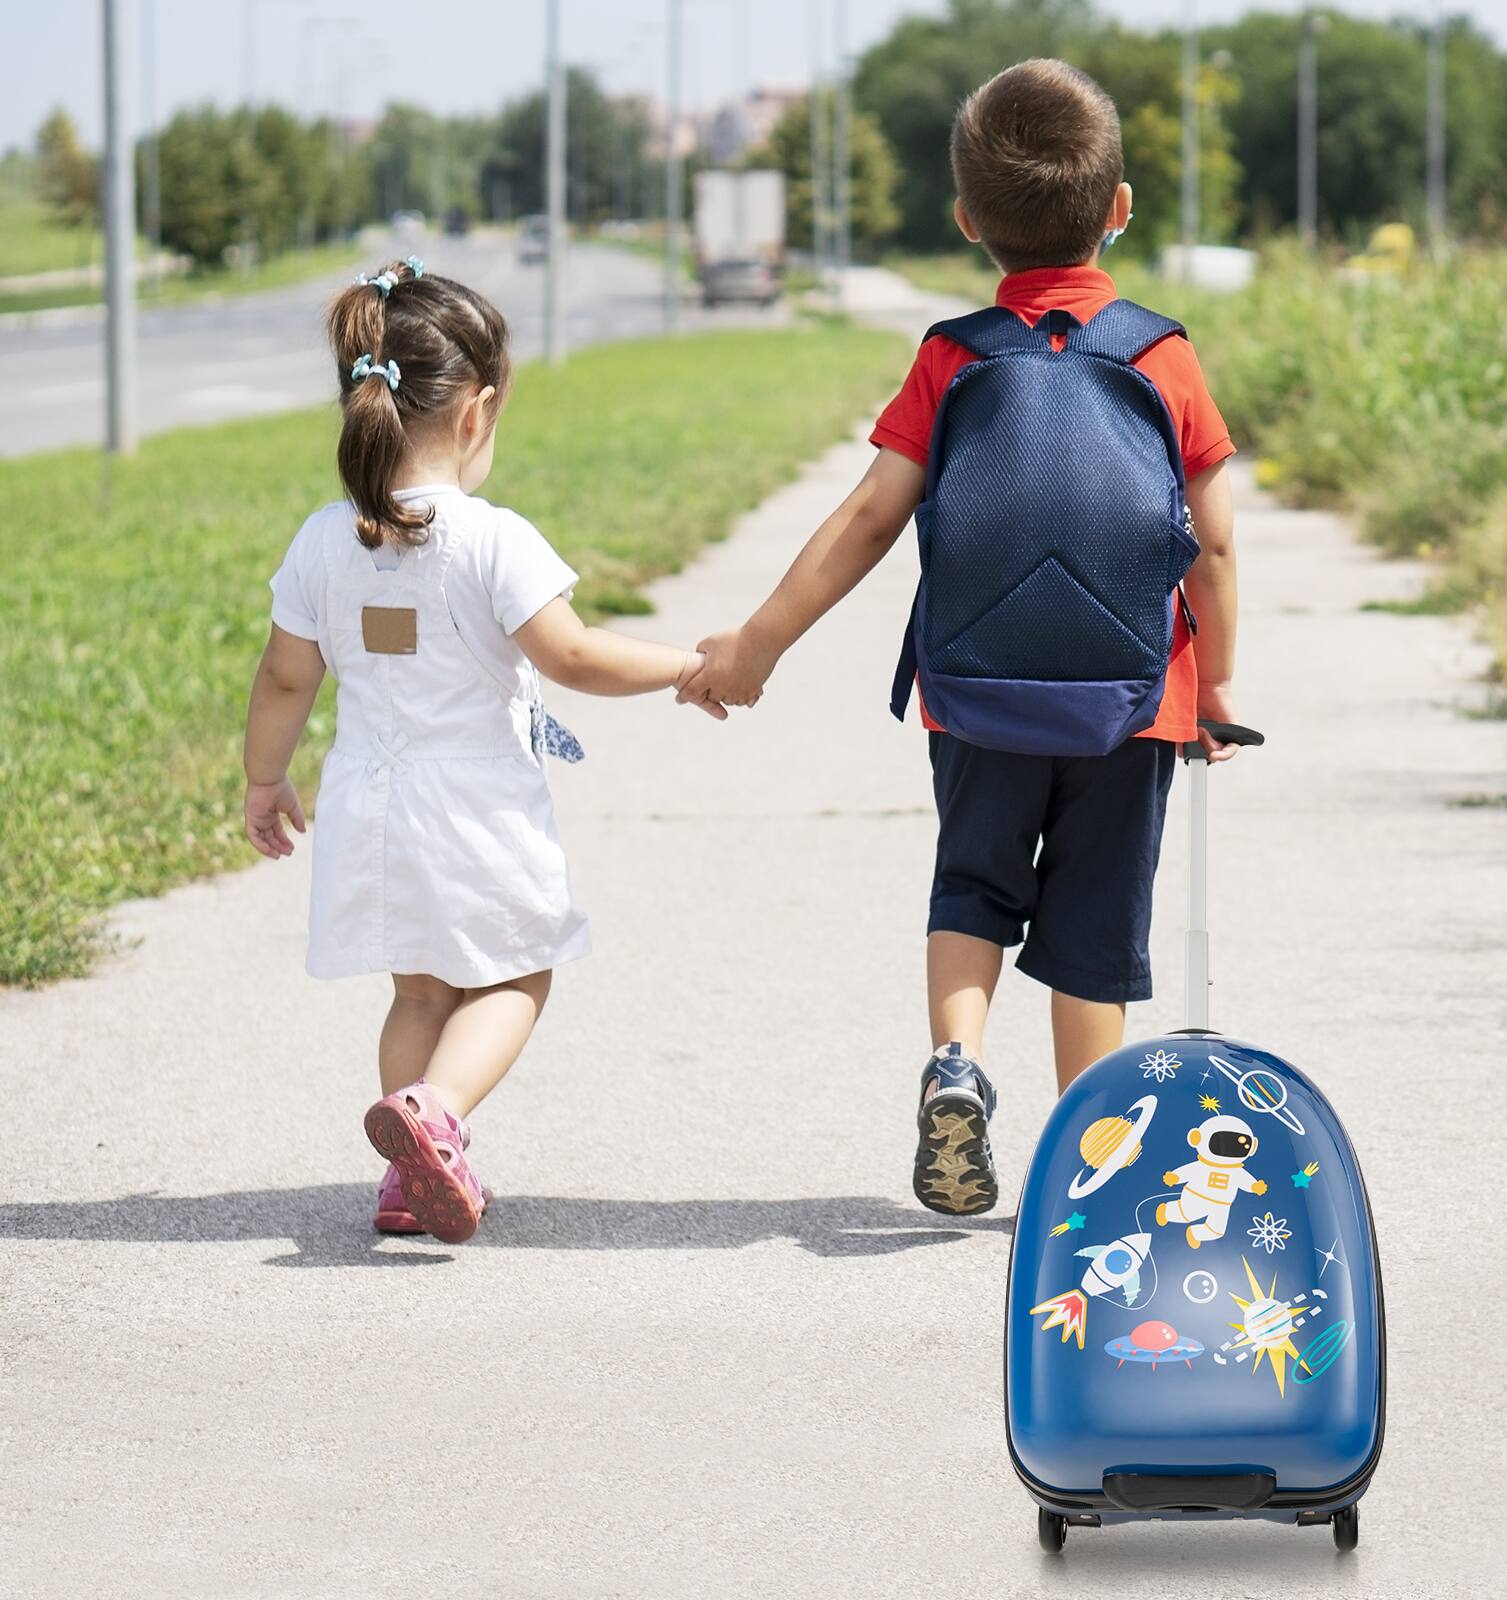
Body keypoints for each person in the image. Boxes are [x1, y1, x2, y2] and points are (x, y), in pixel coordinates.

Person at [678, 61, 1243, 1216]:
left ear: (968, 221)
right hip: (1133, 701)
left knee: (973, 886)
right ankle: (1101, 1169)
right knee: (1094, 933)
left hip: (975, 690)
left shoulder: (951, 357)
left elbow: (870, 516)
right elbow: (1215, 546)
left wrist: (756, 644)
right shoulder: (1160, 354)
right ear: (1119, 206)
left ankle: (955, 1061)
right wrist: (1217, 687)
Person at [242, 257, 722, 1244]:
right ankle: (437, 1119)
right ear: (475, 414)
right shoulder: (491, 539)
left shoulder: (325, 540)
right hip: (474, 808)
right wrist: (685, 665)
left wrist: (262, 776)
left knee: (418, 990)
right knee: (517, 974)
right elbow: (574, 655)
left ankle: (402, 1175)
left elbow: (287, 677)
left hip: (372, 809)